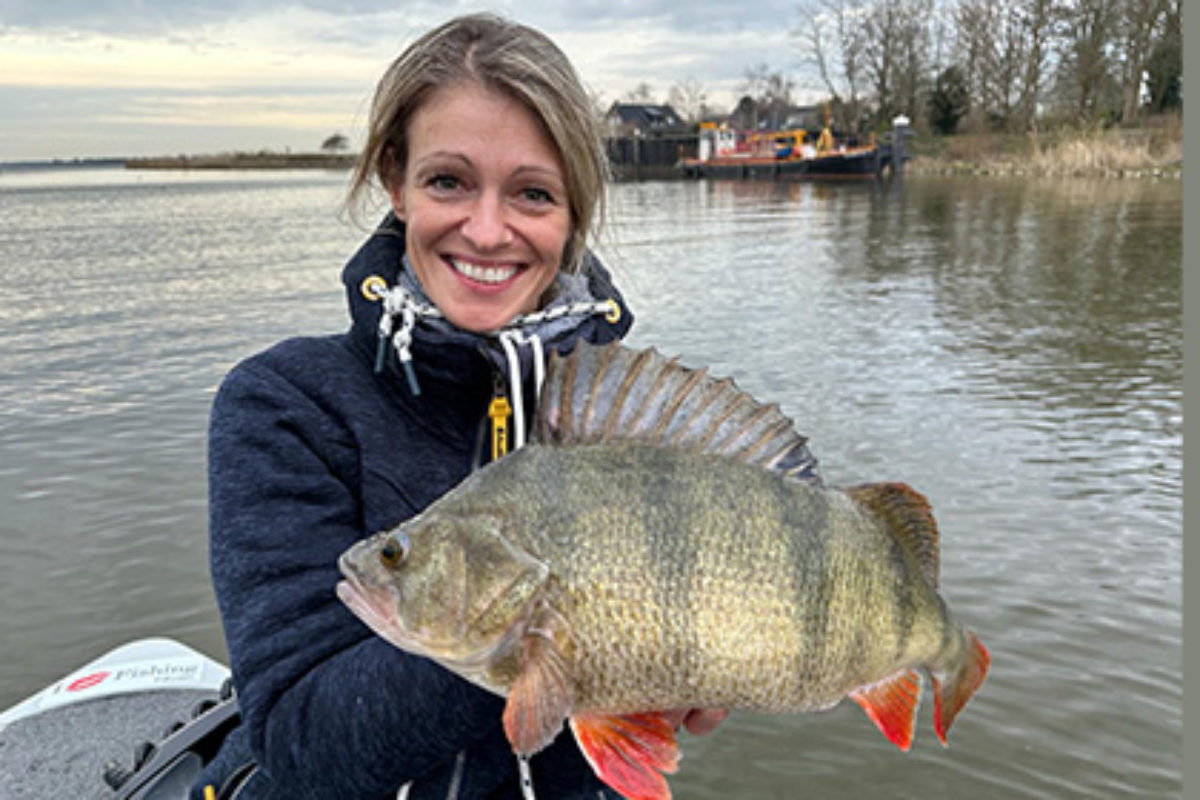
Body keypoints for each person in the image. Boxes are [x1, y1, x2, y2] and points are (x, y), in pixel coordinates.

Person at [192, 13, 726, 800]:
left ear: (573, 212)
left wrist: (695, 664)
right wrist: (539, 636)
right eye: (448, 181)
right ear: (394, 182)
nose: (486, 229)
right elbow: (303, 743)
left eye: (533, 193)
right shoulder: (286, 407)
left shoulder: (631, 424)